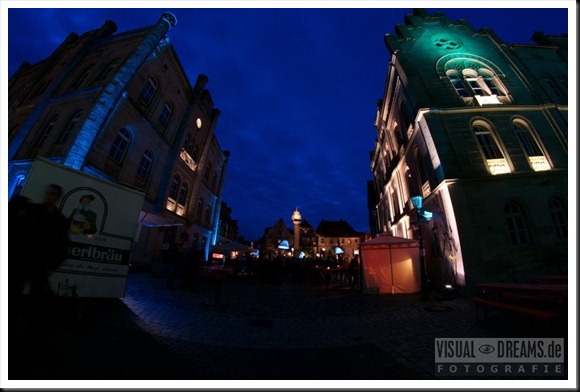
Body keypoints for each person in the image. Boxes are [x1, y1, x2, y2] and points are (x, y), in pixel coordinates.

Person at [28, 184, 70, 318]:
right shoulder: (33, 210)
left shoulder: (60, 219)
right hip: (23, 261)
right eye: (48, 193)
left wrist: (52, 266)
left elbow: (63, 245)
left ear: (57, 198)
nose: (49, 196)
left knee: (36, 297)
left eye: (53, 194)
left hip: (42, 265)